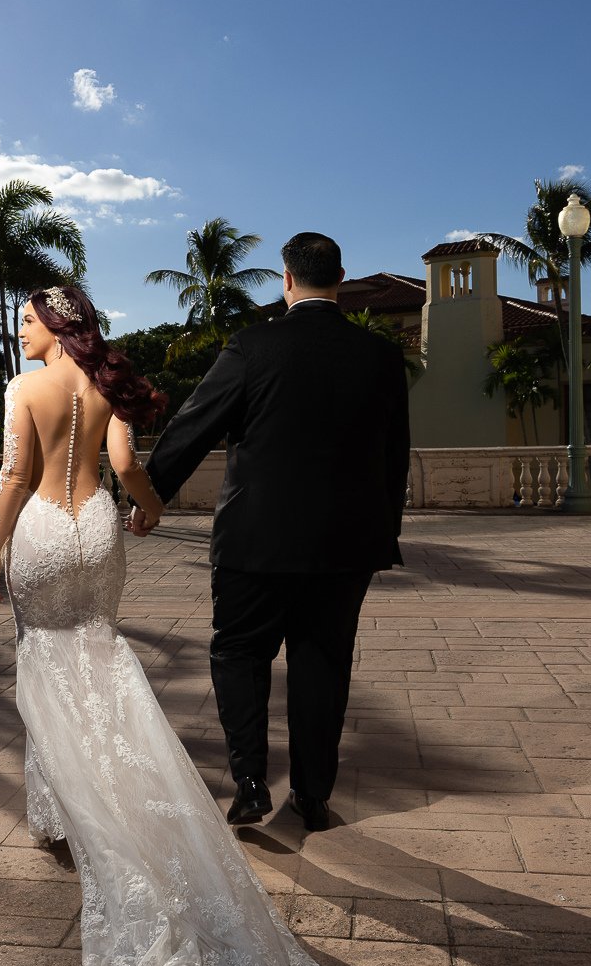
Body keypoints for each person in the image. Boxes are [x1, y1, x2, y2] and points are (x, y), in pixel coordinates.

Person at [0, 283, 333, 966]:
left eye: (28, 321)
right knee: (99, 657)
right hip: (98, 528)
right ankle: (98, 789)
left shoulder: (24, 387)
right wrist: (152, 509)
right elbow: (125, 463)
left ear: (55, 327)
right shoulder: (105, 389)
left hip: (43, 528)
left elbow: (13, 477)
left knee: (45, 659)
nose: (22, 331)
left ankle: (66, 807)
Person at [136, 231, 411, 833]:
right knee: (323, 665)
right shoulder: (380, 357)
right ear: (339, 279)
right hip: (344, 547)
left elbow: (192, 427)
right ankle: (313, 796)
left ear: (286, 279)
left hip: (253, 543)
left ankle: (251, 782)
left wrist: (146, 495)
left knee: (239, 653)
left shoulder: (252, 348)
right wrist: (380, 534)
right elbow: (396, 457)